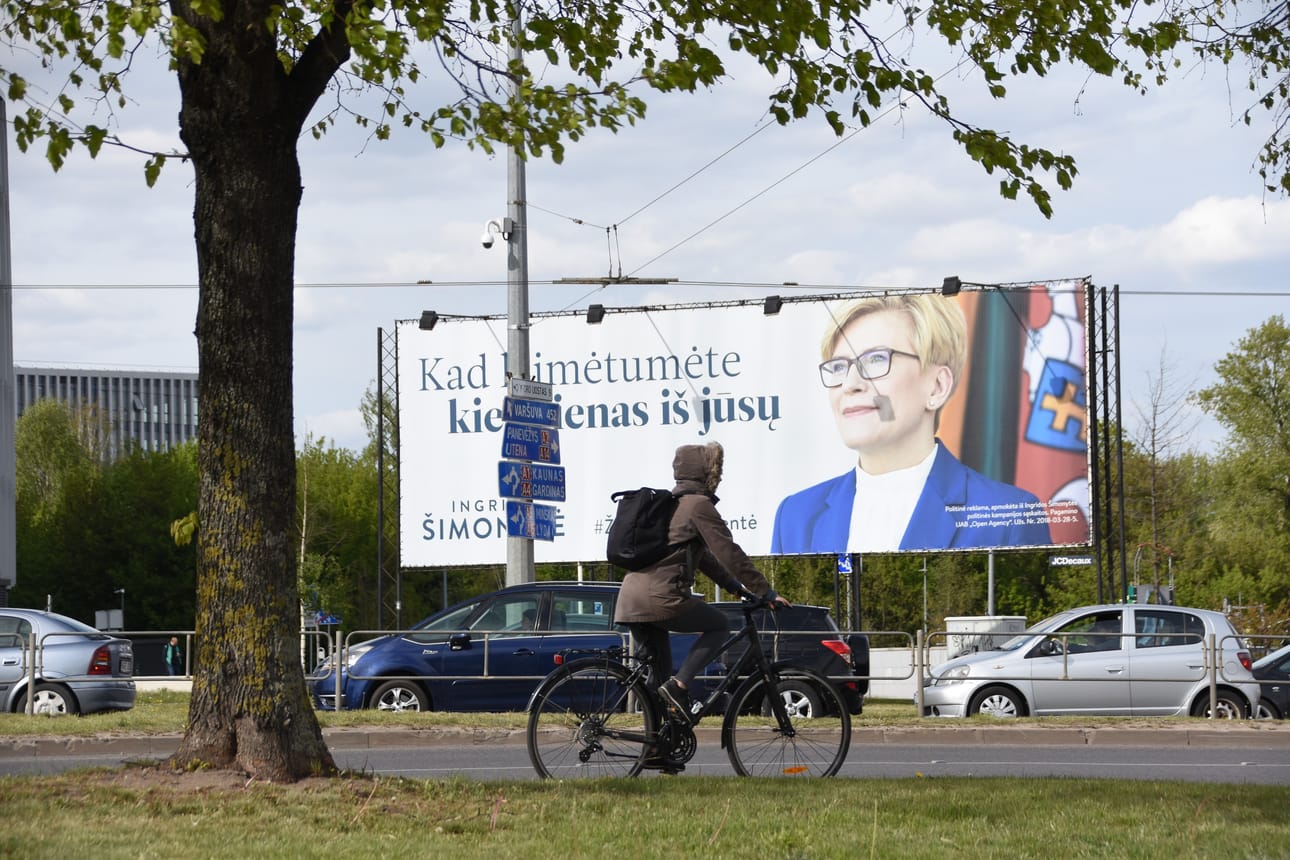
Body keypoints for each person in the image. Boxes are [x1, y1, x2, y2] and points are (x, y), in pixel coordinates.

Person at [771, 293, 1052, 554]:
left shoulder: (1009, 514)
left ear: (937, 386)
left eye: (876, 360)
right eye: (838, 366)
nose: (850, 384)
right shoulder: (796, 516)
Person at [614, 441, 790, 720]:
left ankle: (657, 749)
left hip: (631, 600)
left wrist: (735, 587)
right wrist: (764, 591)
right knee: (719, 625)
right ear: (708, 473)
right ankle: (681, 685)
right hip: (662, 598)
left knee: (657, 681)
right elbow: (728, 552)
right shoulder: (698, 506)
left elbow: (705, 558)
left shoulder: (673, 505)